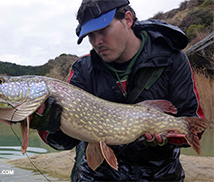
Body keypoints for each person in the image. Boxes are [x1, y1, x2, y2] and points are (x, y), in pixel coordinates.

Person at [30, 0, 205, 181]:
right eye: (91, 35)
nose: (97, 42)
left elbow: (193, 125)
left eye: (103, 30)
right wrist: (46, 125)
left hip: (158, 175)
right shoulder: (83, 70)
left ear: (127, 19)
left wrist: (165, 140)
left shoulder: (173, 60)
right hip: (96, 176)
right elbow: (66, 142)